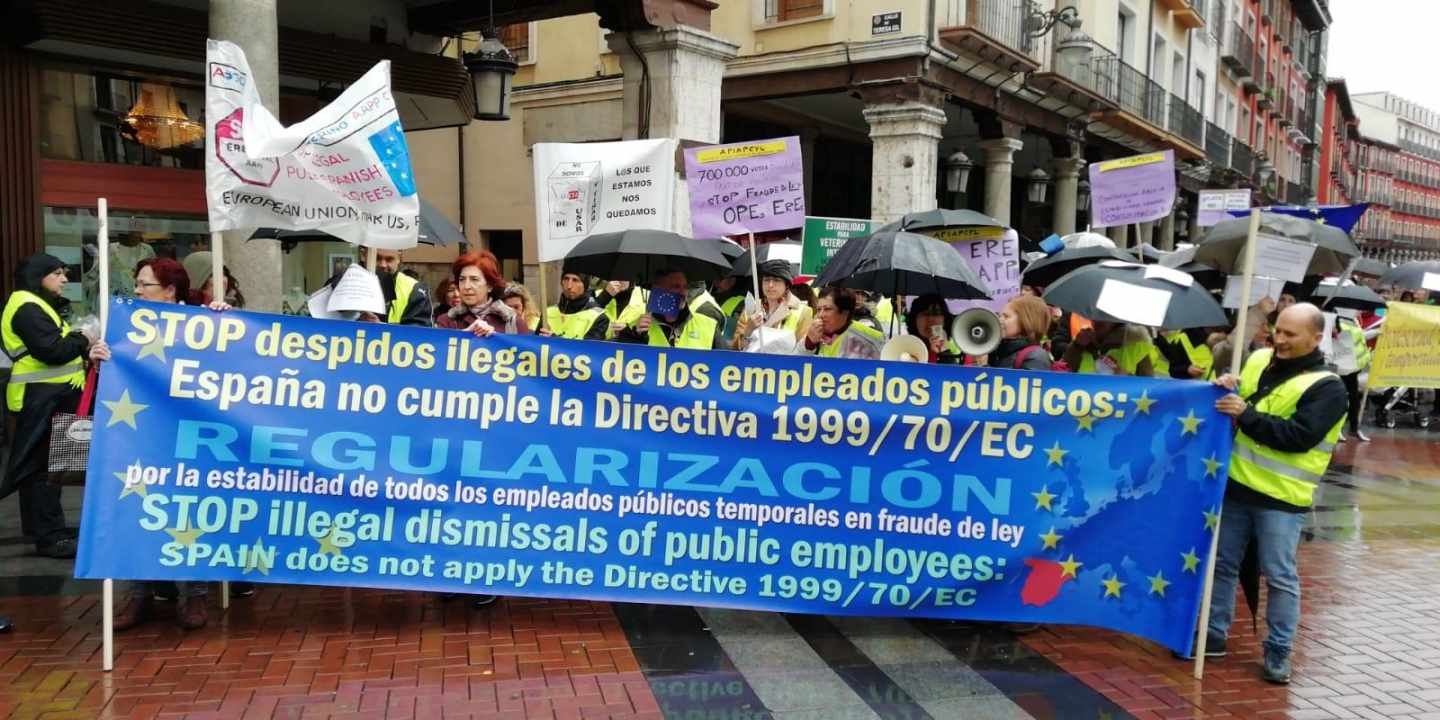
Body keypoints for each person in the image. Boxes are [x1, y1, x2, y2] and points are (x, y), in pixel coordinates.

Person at [1199, 303, 1347, 685]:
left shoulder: (1328, 388)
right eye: (1276, 330)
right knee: (1223, 566)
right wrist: (1229, 385)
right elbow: (1243, 396)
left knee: (1280, 577)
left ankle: (1279, 649)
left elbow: (1297, 437)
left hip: (1281, 500)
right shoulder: (1260, 358)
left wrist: (1245, 413)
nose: (1278, 340)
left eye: (1289, 335)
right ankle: (1214, 634)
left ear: (1316, 339)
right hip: (1235, 486)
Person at [109, 258, 224, 630]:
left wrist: (229, 322)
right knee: (139, 509)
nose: (137, 291)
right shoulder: (127, 327)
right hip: (143, 435)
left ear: (169, 291)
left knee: (190, 512)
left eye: (145, 285)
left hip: (191, 436)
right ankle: (140, 594)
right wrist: (99, 357)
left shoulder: (203, 324)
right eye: (137, 284)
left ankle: (195, 595)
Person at [0, 255, 101, 567]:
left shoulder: (34, 304)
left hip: (51, 396)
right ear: (37, 276)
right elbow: (52, 351)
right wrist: (83, 337)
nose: (63, 280)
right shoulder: (27, 306)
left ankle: (44, 527)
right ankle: (51, 536)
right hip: (41, 397)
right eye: (56, 274)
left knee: (41, 467)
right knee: (46, 469)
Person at [615, 269, 725, 349]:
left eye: (685, 287)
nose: (683, 292)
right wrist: (635, 338)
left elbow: (730, 368)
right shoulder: (636, 329)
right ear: (657, 290)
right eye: (676, 287)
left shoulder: (708, 326)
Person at [437, 251, 528, 338]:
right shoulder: (446, 321)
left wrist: (496, 339)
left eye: (474, 279)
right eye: (462, 280)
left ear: (490, 285)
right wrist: (466, 334)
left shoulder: (514, 323)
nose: (466, 286)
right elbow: (440, 350)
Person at [732, 260, 813, 353]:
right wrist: (748, 330)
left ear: (786, 285)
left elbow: (804, 352)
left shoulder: (803, 311)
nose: (770, 285)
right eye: (766, 280)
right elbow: (735, 349)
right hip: (751, 366)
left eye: (776, 280)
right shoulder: (751, 308)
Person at [801, 288, 885, 359]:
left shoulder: (868, 338)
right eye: (819, 309)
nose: (821, 315)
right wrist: (809, 344)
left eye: (827, 309)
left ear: (845, 313)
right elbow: (794, 367)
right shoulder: (814, 332)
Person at [359, 246, 432, 326]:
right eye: (377, 258)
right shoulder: (349, 281)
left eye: (389, 259)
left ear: (399, 258)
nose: (383, 265)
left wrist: (381, 326)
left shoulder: (414, 288)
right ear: (363, 256)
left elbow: (419, 331)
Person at [979, 295, 1054, 371]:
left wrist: (984, 367)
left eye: (1006, 316)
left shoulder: (1036, 357)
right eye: (1000, 316)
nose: (999, 320)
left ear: (1026, 320)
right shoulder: (999, 351)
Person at [1061, 320, 1154, 376]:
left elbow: (1149, 388)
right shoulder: (1084, 339)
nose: (1096, 321)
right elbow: (1061, 376)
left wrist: (1127, 378)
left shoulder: (1135, 344)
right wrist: (1077, 346)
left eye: (1104, 316)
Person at [1331, 311, 1371, 443]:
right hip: (1339, 365)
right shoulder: (1339, 320)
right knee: (1341, 399)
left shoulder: (1355, 320)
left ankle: (1354, 428)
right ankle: (1337, 429)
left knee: (1354, 398)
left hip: (1353, 366)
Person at [543, 272, 607, 340]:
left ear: (585, 285)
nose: (569, 286)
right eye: (566, 279)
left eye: (575, 280)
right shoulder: (547, 312)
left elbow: (589, 349)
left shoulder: (599, 317)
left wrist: (555, 340)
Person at [901, 294, 959, 363]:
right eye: (925, 314)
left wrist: (943, 351)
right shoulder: (904, 351)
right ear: (914, 320)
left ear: (945, 320)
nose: (931, 319)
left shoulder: (962, 347)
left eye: (936, 313)